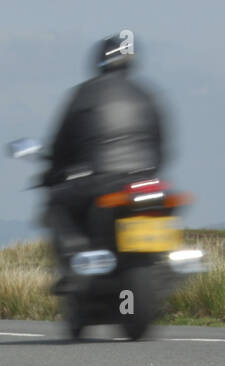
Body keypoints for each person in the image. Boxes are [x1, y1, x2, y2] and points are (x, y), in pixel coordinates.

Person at [43, 35, 168, 289]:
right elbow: (161, 142)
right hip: (146, 181)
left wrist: (54, 172)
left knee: (55, 205)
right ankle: (156, 261)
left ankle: (72, 266)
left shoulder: (84, 94)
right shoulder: (146, 94)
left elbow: (61, 143)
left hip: (100, 181)